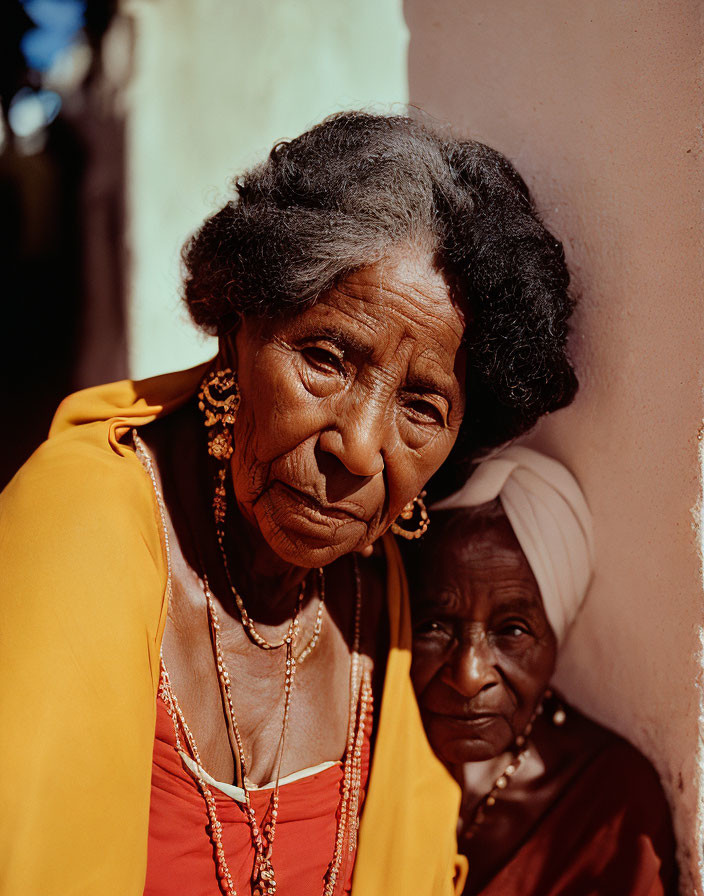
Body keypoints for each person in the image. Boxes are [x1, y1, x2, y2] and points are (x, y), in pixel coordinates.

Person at [0, 113, 578, 896]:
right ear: (238, 332)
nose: (361, 447)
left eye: (422, 407)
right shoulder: (83, 521)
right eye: (327, 359)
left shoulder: (390, 596)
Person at [407, 446, 678, 896]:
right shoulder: (358, 759)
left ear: (557, 637)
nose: (470, 674)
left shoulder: (612, 808)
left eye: (512, 630)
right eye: (433, 626)